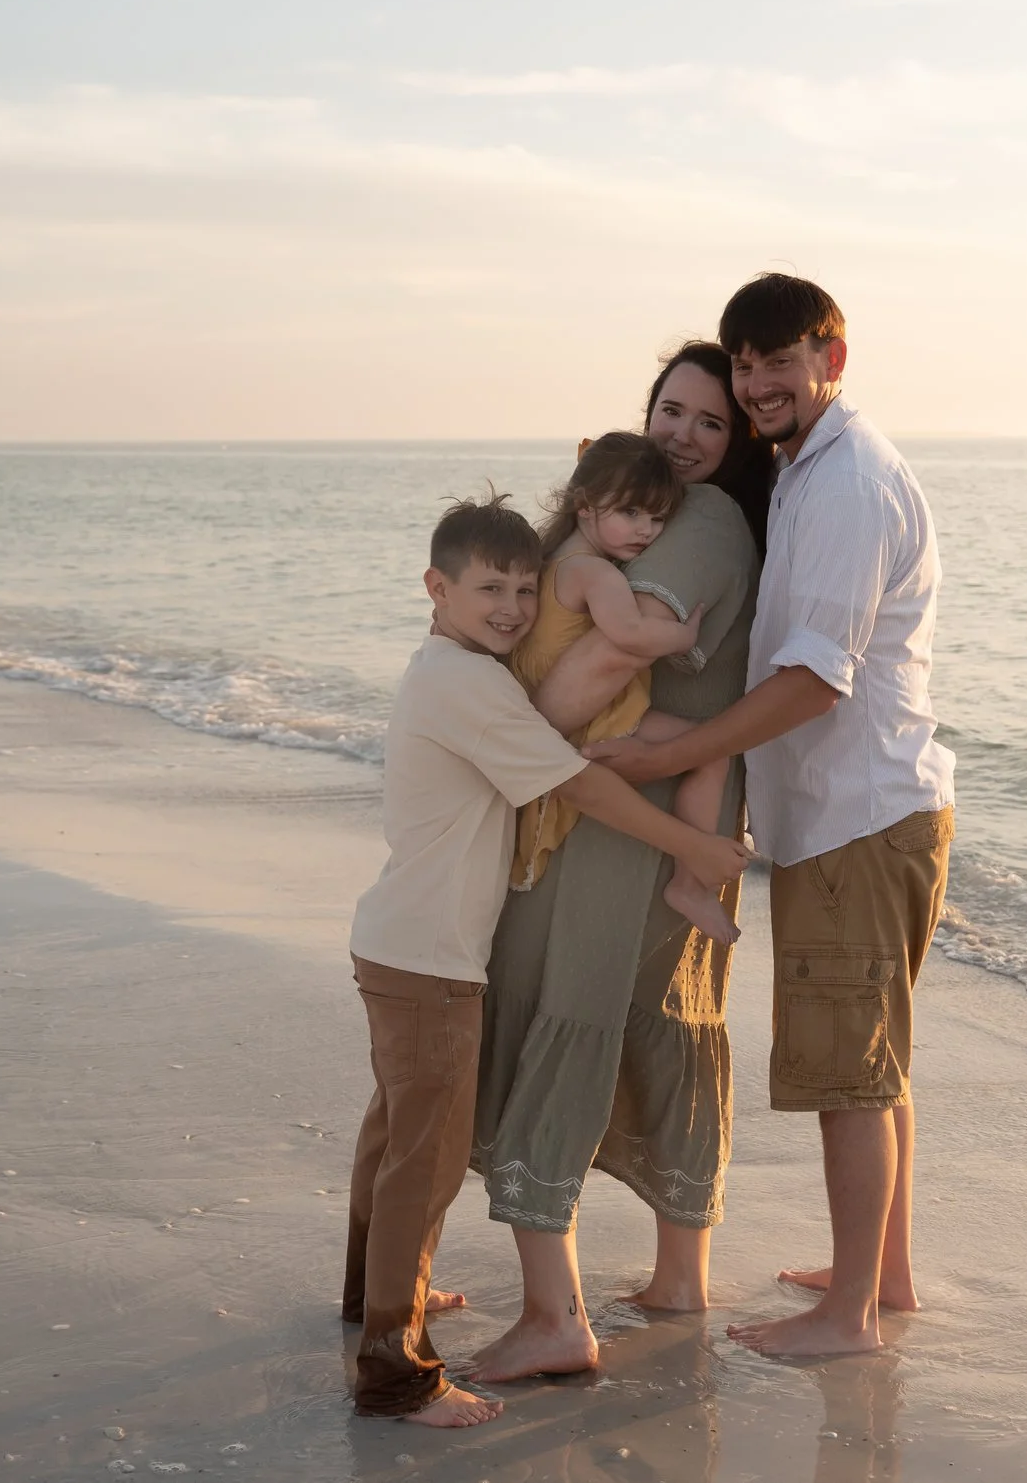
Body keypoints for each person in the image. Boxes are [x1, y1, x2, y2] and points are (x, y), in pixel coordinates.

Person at [587, 275, 954, 1358]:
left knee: (846, 1070)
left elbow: (815, 680)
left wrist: (675, 750)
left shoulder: (844, 486)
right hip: (865, 810)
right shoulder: (811, 468)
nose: (754, 385)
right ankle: (878, 1275)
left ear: (831, 359)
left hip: (857, 816)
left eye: (776, 361)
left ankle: (848, 1319)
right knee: (874, 1061)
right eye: (741, 364)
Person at [340, 493, 750, 1425]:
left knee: (394, 1136)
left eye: (527, 588)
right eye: (490, 587)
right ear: (436, 587)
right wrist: (694, 847)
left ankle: (374, 1299)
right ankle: (394, 1371)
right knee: (428, 1158)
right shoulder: (472, 687)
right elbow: (580, 786)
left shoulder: (443, 667)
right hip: (432, 957)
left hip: (397, 942)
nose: (514, 609)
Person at [467, 342, 774, 1380]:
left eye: (709, 422)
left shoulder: (705, 520)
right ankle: (678, 1275)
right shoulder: (675, 513)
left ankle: (556, 1316)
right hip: (675, 793)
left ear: (737, 445)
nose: (683, 435)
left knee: (568, 1004)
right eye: (669, 411)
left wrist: (503, 756)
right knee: (667, 1016)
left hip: (619, 798)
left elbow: (614, 649)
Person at [508, 431, 742, 946]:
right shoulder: (595, 573)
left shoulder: (549, 563)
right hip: (600, 719)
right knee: (711, 751)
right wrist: (684, 633)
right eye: (631, 513)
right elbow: (631, 635)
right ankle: (690, 884)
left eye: (657, 518)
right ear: (585, 506)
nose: (647, 531)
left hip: (553, 707)